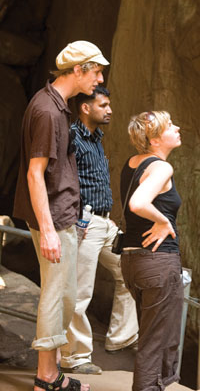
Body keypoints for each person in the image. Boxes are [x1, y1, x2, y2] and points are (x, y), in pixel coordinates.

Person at [13, 40, 109, 391]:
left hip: (63, 215)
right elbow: (34, 174)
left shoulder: (55, 104)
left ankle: (51, 373)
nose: (99, 78)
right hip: (53, 217)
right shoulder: (48, 111)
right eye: (96, 71)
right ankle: (46, 378)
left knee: (65, 295)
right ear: (78, 69)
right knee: (56, 296)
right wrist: (50, 230)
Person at [59, 86, 139, 375]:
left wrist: (108, 221)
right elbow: (58, 179)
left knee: (129, 272)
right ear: (85, 108)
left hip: (104, 223)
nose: (110, 110)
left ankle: (121, 337)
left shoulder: (96, 138)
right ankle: (75, 357)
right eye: (103, 105)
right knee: (79, 292)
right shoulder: (72, 137)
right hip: (85, 222)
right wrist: (78, 218)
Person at [119, 110, 183, 391]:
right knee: (155, 342)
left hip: (133, 261)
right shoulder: (161, 167)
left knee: (151, 337)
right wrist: (164, 220)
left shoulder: (133, 163)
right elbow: (138, 203)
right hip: (157, 262)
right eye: (170, 126)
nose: (177, 127)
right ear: (155, 139)